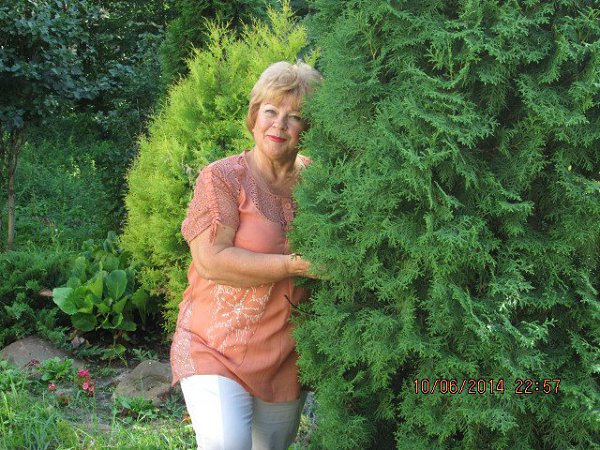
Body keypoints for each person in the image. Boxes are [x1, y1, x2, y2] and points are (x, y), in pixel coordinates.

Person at [170, 61, 323, 450]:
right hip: (215, 346)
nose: (279, 125)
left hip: (285, 355)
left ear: (308, 128)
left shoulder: (321, 183)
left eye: (294, 117)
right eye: (270, 111)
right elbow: (211, 261)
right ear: (254, 117)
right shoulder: (222, 177)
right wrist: (293, 266)